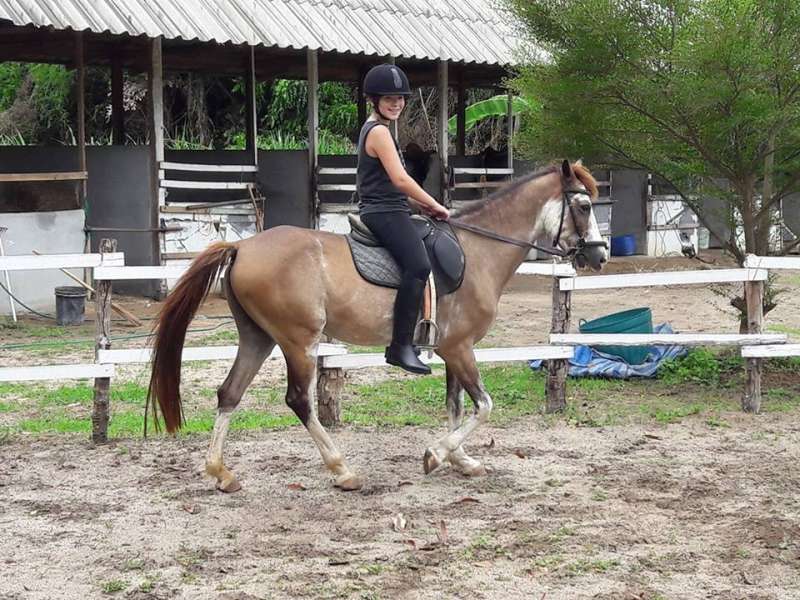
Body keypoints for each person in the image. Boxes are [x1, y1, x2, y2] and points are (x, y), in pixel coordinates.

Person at [356, 63, 450, 375]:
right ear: (374, 99)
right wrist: (434, 202)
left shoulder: (379, 130)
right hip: (383, 213)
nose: (396, 103)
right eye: (389, 98)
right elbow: (400, 180)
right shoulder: (379, 132)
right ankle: (400, 346)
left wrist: (422, 207)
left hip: (391, 207)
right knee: (419, 265)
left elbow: (391, 186)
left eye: (400, 98)